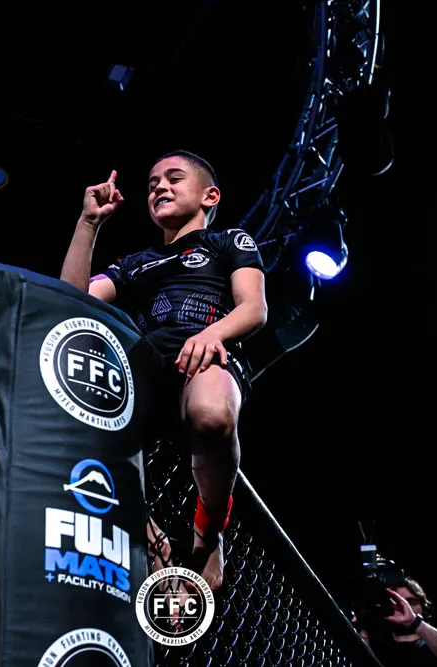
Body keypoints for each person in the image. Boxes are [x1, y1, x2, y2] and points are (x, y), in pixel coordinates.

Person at [59, 150, 267, 591]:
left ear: (210, 196)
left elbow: (254, 308)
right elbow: (70, 300)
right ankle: (154, 544)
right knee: (78, 435)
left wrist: (212, 334)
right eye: (153, 184)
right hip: (146, 368)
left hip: (206, 358)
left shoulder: (228, 241)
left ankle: (208, 532)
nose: (159, 188)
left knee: (212, 413)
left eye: (174, 179)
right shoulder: (135, 262)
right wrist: (89, 223)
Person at [355, 578, 437, 666]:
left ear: (425, 607)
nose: (404, 607)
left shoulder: (434, 644)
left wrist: (414, 621)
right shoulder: (377, 644)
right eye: (397, 602)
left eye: (411, 602)